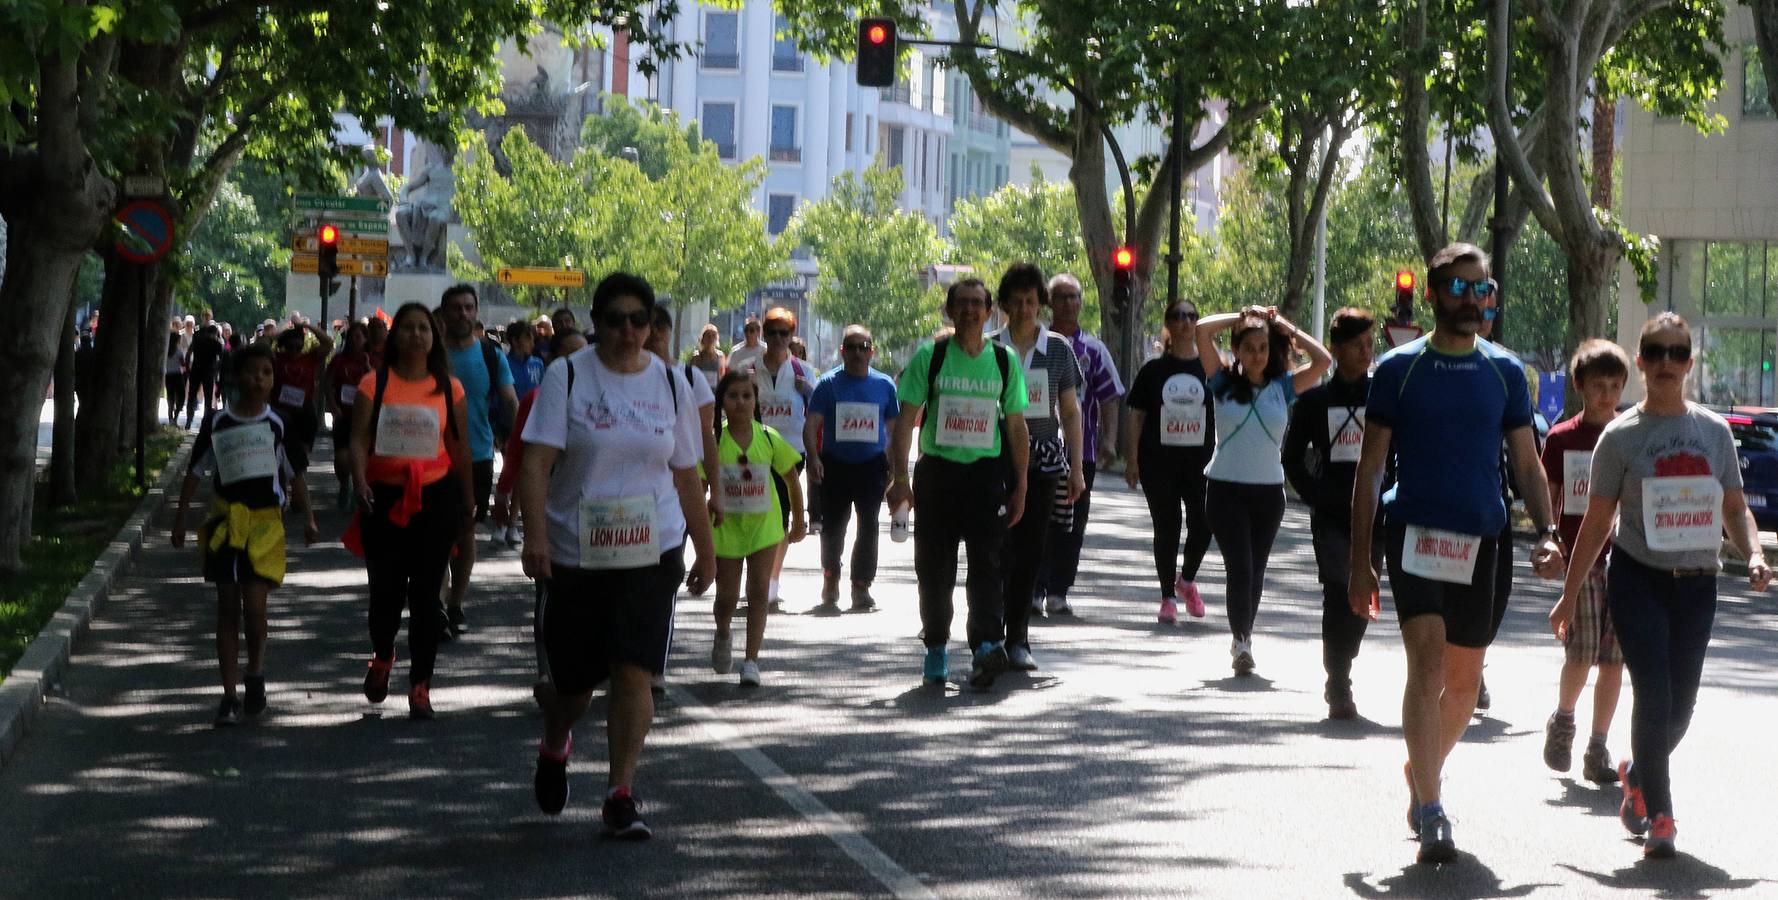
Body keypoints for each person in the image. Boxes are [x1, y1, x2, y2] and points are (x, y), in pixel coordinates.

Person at [1348, 242, 1565, 864]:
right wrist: (1360, 559)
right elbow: (1369, 470)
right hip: (1415, 534)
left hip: (1483, 539)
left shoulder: (1505, 371)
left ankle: (1420, 773)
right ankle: (1433, 808)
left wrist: (1548, 530)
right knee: (1427, 666)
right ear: (1437, 293)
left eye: (1484, 290)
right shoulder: (1397, 369)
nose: (1474, 301)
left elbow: (1526, 461)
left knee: (1466, 686)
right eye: (1462, 290)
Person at [1551, 312, 1769, 859]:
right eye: (1657, 352)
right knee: (1653, 691)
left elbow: (1735, 508)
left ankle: (1640, 776)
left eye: (1678, 353)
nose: (1668, 363)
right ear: (1642, 361)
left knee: (1683, 705)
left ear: (1690, 363)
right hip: (1637, 577)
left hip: (1698, 584)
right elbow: (1597, 522)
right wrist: (1570, 593)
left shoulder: (1714, 433)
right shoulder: (1620, 438)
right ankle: (1663, 818)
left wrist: (1757, 554)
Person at [519, 272, 715, 840]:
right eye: (615, 320)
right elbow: (535, 464)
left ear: (653, 325)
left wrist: (704, 549)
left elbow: (685, 473)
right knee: (575, 689)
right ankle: (556, 739)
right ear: (597, 324)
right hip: (575, 553)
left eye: (640, 320)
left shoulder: (674, 383)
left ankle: (620, 793)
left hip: (650, 551)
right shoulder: (569, 375)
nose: (628, 331)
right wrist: (535, 537)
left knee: (634, 669)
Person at [887, 278, 1030, 689]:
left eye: (977, 304)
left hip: (986, 477)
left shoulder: (1005, 361)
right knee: (935, 569)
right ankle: (936, 645)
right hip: (937, 475)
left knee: (988, 563)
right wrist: (899, 478)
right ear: (950, 311)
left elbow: (1017, 427)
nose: (969, 311)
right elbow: (904, 421)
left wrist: (1021, 483)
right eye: (962, 304)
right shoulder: (930, 357)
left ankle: (986, 645)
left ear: (990, 313)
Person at [171, 343, 319, 726]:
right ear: (238, 377)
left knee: (255, 611)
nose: (259, 379)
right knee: (226, 607)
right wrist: (182, 517)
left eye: (267, 373)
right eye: (252, 372)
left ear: (273, 380)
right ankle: (229, 694)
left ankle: (255, 672)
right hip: (225, 523)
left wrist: (309, 518)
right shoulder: (219, 423)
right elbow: (197, 470)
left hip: (265, 525)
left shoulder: (277, 423)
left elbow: (295, 472)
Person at [347, 303, 474, 719]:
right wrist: (360, 481)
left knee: (425, 598)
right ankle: (383, 656)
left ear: (433, 337)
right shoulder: (374, 383)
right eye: (408, 328)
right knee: (385, 593)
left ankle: (421, 685)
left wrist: (469, 501)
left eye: (424, 328)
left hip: (435, 500)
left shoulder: (449, 387)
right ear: (394, 336)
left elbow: (459, 447)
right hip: (382, 500)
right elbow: (358, 439)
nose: (416, 335)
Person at [1196, 305, 1331, 675]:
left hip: (1268, 493)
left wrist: (1281, 325)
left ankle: (1245, 635)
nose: (1257, 355)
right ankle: (1241, 641)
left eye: (1263, 348)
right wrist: (1241, 316)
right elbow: (1202, 331)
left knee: (1255, 570)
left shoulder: (1282, 388)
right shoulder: (1221, 383)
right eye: (1249, 347)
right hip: (1225, 489)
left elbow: (1323, 360)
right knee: (1239, 565)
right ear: (1236, 351)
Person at [1539, 339, 1632, 783]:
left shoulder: (1630, 435)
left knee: (1614, 659)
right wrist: (1550, 544)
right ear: (1579, 386)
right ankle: (1564, 720)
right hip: (1582, 561)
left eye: (1616, 386)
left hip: (1626, 560)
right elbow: (1547, 501)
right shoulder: (1561, 439)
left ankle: (1598, 746)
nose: (1608, 396)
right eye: (1599, 386)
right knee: (1582, 649)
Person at [1282, 308, 1380, 718]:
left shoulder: (1382, 397)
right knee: (1337, 592)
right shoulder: (1315, 402)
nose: (1365, 352)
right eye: (1357, 345)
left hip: (1377, 516)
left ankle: (1345, 658)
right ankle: (1337, 677)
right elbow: (1292, 458)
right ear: (1337, 350)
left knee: (1364, 597)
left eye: (1370, 344)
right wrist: (1317, 495)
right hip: (1333, 514)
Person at [990, 263, 1084, 671]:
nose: (1025, 309)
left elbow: (1070, 410)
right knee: (995, 548)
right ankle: (990, 633)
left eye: (1031, 301)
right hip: (996, 455)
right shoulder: (990, 347)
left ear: (1040, 305)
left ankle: (1019, 638)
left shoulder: (1059, 348)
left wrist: (1076, 467)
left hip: (1045, 458)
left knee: (1031, 549)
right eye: (1017, 302)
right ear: (1005, 305)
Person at [495, 329, 588, 700]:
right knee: (550, 597)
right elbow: (518, 452)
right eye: (570, 356)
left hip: (598, 519)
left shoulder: (606, 395)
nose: (581, 364)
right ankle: (548, 671)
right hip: (550, 514)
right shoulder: (537, 397)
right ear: (552, 362)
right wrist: (504, 493)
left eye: (586, 354)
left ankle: (594, 664)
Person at [706, 371, 805, 685]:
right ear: (722, 401)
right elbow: (697, 484)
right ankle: (723, 632)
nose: (740, 402)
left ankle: (751, 661)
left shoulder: (768, 437)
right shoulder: (713, 441)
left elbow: (792, 479)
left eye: (747, 396)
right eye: (733, 396)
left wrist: (800, 519)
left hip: (765, 528)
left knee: (759, 592)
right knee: (727, 597)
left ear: (756, 400)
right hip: (726, 529)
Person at [1124, 298, 1217, 624]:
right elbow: (1136, 415)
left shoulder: (1210, 368)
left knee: (1204, 524)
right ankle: (1167, 597)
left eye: (1192, 316)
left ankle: (1186, 581)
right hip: (1158, 461)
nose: (1185, 322)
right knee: (1167, 528)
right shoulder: (1154, 370)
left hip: (1201, 463)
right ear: (1168, 323)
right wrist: (1131, 458)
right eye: (1178, 316)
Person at [1037, 273, 1123, 616]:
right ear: (1050, 303)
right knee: (1040, 520)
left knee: (1072, 523)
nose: (1069, 303)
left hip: (1080, 453)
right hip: (1039, 450)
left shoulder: (1093, 350)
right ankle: (1034, 588)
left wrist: (1109, 441)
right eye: (1061, 297)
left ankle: (1059, 590)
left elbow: (1110, 397)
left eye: (1074, 297)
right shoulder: (1037, 344)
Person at [436, 284, 517, 637]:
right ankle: (437, 604)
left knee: (465, 533)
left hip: (478, 456)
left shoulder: (490, 354)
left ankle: (455, 603)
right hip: (431, 458)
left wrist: (516, 445)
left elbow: (510, 401)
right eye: (456, 308)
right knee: (437, 535)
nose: (463, 314)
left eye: (469, 308)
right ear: (444, 312)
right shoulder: (431, 354)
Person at [804, 325, 899, 610]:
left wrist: (896, 468)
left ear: (872, 351)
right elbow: (811, 426)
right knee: (833, 527)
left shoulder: (884, 385)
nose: (858, 353)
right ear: (842, 351)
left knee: (869, 526)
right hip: (835, 466)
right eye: (852, 347)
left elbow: (895, 431)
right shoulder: (828, 384)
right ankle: (831, 577)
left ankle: (861, 586)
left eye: (863, 347)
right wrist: (813, 457)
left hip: (871, 467)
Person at [740, 307, 815, 607]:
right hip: (754, 451)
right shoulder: (747, 369)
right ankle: (754, 576)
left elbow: (815, 414)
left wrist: (807, 390)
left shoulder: (802, 372)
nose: (778, 338)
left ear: (792, 335)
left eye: (785, 333)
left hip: (791, 451)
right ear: (763, 334)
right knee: (753, 514)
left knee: (780, 516)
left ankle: (771, 580)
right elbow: (728, 408)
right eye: (772, 332)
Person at [325, 322, 375, 508]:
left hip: (364, 417)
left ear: (366, 338)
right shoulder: (339, 360)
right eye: (352, 336)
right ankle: (344, 484)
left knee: (362, 454)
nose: (356, 339)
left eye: (359, 336)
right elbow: (328, 385)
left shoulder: (370, 360)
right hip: (343, 415)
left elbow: (379, 386)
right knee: (342, 457)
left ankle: (358, 487)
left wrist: (369, 367)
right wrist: (334, 408)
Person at [271, 322, 333, 464]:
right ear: (283, 346)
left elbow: (329, 343)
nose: (294, 351)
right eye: (290, 347)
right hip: (281, 412)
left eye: (298, 347)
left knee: (300, 457)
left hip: (304, 411)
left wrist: (308, 326)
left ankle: (298, 475)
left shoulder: (310, 358)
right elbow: (260, 346)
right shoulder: (276, 358)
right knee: (279, 455)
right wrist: (280, 334)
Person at [185, 323, 225, 428]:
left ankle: (189, 420)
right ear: (215, 333)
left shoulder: (197, 340)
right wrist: (217, 370)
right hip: (209, 372)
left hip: (196, 370)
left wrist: (188, 369)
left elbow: (188, 354)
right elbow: (222, 359)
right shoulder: (216, 343)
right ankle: (206, 421)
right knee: (208, 398)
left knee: (192, 396)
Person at [164, 329, 188, 426]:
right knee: (181, 397)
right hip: (177, 375)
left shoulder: (165, 350)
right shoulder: (178, 351)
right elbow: (183, 364)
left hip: (168, 375)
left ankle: (170, 417)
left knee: (170, 397)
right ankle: (175, 416)